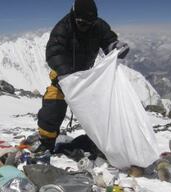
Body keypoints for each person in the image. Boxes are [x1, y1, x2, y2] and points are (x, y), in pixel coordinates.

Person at [35, 0, 129, 152]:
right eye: (82, 23)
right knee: (53, 107)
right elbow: (54, 52)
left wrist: (114, 46)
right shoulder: (63, 27)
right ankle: (46, 143)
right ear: (74, 16)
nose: (86, 27)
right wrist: (66, 74)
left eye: (90, 23)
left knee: (99, 109)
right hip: (62, 77)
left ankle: (101, 143)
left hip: (87, 77)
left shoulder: (98, 26)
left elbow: (108, 40)